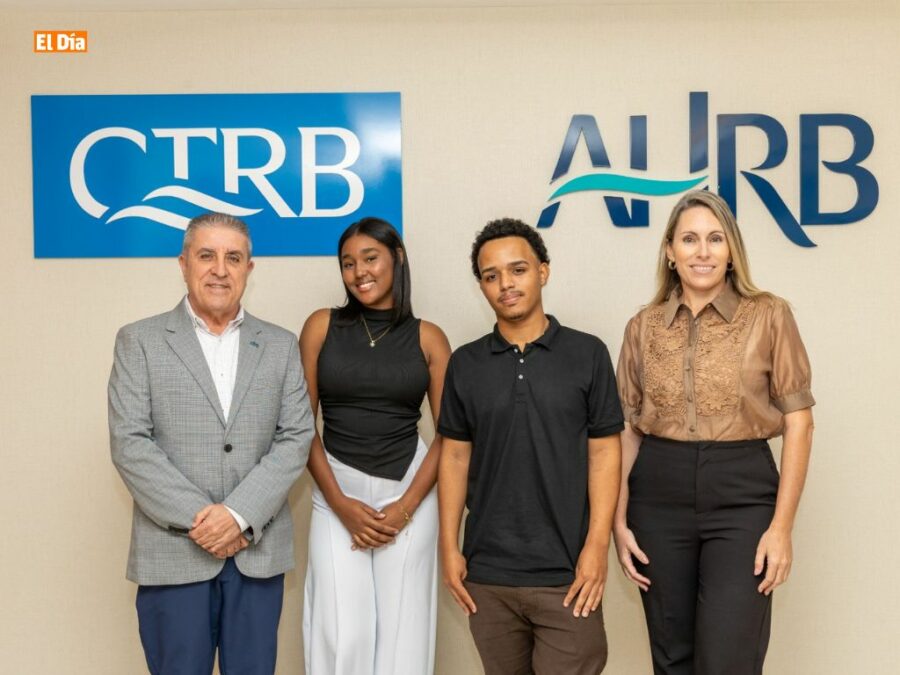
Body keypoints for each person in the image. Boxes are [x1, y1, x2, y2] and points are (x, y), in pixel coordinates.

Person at [613, 190, 815, 675]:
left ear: (731, 251)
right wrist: (617, 523)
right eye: (689, 239)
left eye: (715, 239)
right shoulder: (642, 327)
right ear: (669, 250)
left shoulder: (770, 314)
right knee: (671, 657)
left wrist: (781, 528)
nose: (702, 251)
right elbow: (626, 432)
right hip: (657, 497)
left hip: (742, 494)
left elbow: (799, 421)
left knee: (729, 658)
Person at [108, 212, 314, 675]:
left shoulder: (281, 345)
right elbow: (130, 443)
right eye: (206, 255)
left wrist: (238, 515)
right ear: (183, 263)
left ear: (249, 269)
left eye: (233, 257)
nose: (220, 269)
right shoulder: (138, 341)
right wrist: (206, 522)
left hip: (256, 555)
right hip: (173, 555)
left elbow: (296, 436)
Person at [438, 218, 623, 675]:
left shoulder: (588, 354)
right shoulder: (465, 364)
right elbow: (455, 456)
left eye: (517, 270)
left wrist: (597, 546)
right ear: (481, 285)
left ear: (543, 271)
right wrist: (448, 544)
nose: (506, 284)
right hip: (489, 575)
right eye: (491, 275)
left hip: (567, 574)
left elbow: (604, 453)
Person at [299, 217, 451, 675]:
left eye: (370, 258)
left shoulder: (430, 337)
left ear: (396, 259)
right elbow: (300, 426)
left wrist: (405, 506)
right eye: (348, 263)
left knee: (404, 637)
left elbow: (451, 434)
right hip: (334, 492)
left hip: (410, 492)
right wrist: (339, 503)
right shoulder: (320, 327)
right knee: (343, 633)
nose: (359, 271)